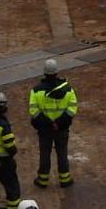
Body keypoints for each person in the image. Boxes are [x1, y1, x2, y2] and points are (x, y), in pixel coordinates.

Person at [29, 59, 78, 189]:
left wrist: (49, 124)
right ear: (57, 72)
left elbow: (34, 111)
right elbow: (72, 108)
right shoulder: (68, 89)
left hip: (45, 130)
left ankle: (43, 180)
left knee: (45, 154)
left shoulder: (36, 91)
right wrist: (59, 123)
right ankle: (65, 179)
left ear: (44, 73)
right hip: (62, 129)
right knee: (62, 153)